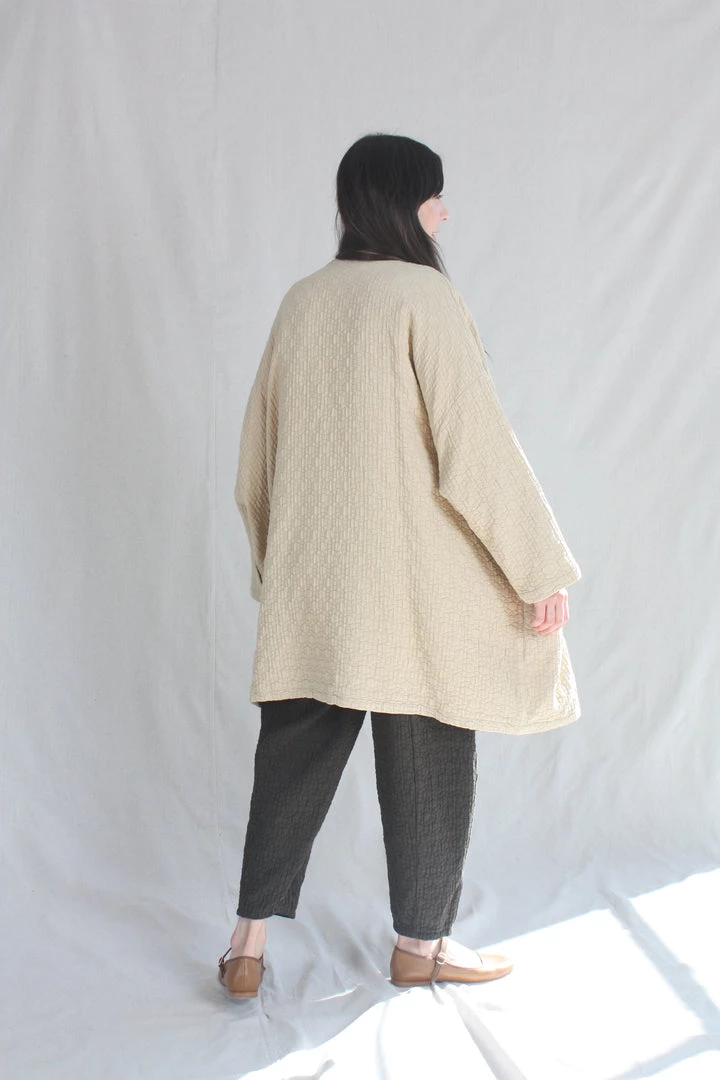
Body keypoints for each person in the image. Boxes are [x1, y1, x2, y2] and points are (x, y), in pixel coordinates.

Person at [218, 133, 582, 999]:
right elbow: (476, 445)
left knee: (292, 755)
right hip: (415, 586)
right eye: (433, 196)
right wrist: (538, 566)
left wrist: (278, 568)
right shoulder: (424, 295)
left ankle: (246, 946)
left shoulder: (303, 301)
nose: (443, 214)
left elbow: (256, 455)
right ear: (402, 202)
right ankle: (422, 945)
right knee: (429, 748)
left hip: (317, 581)